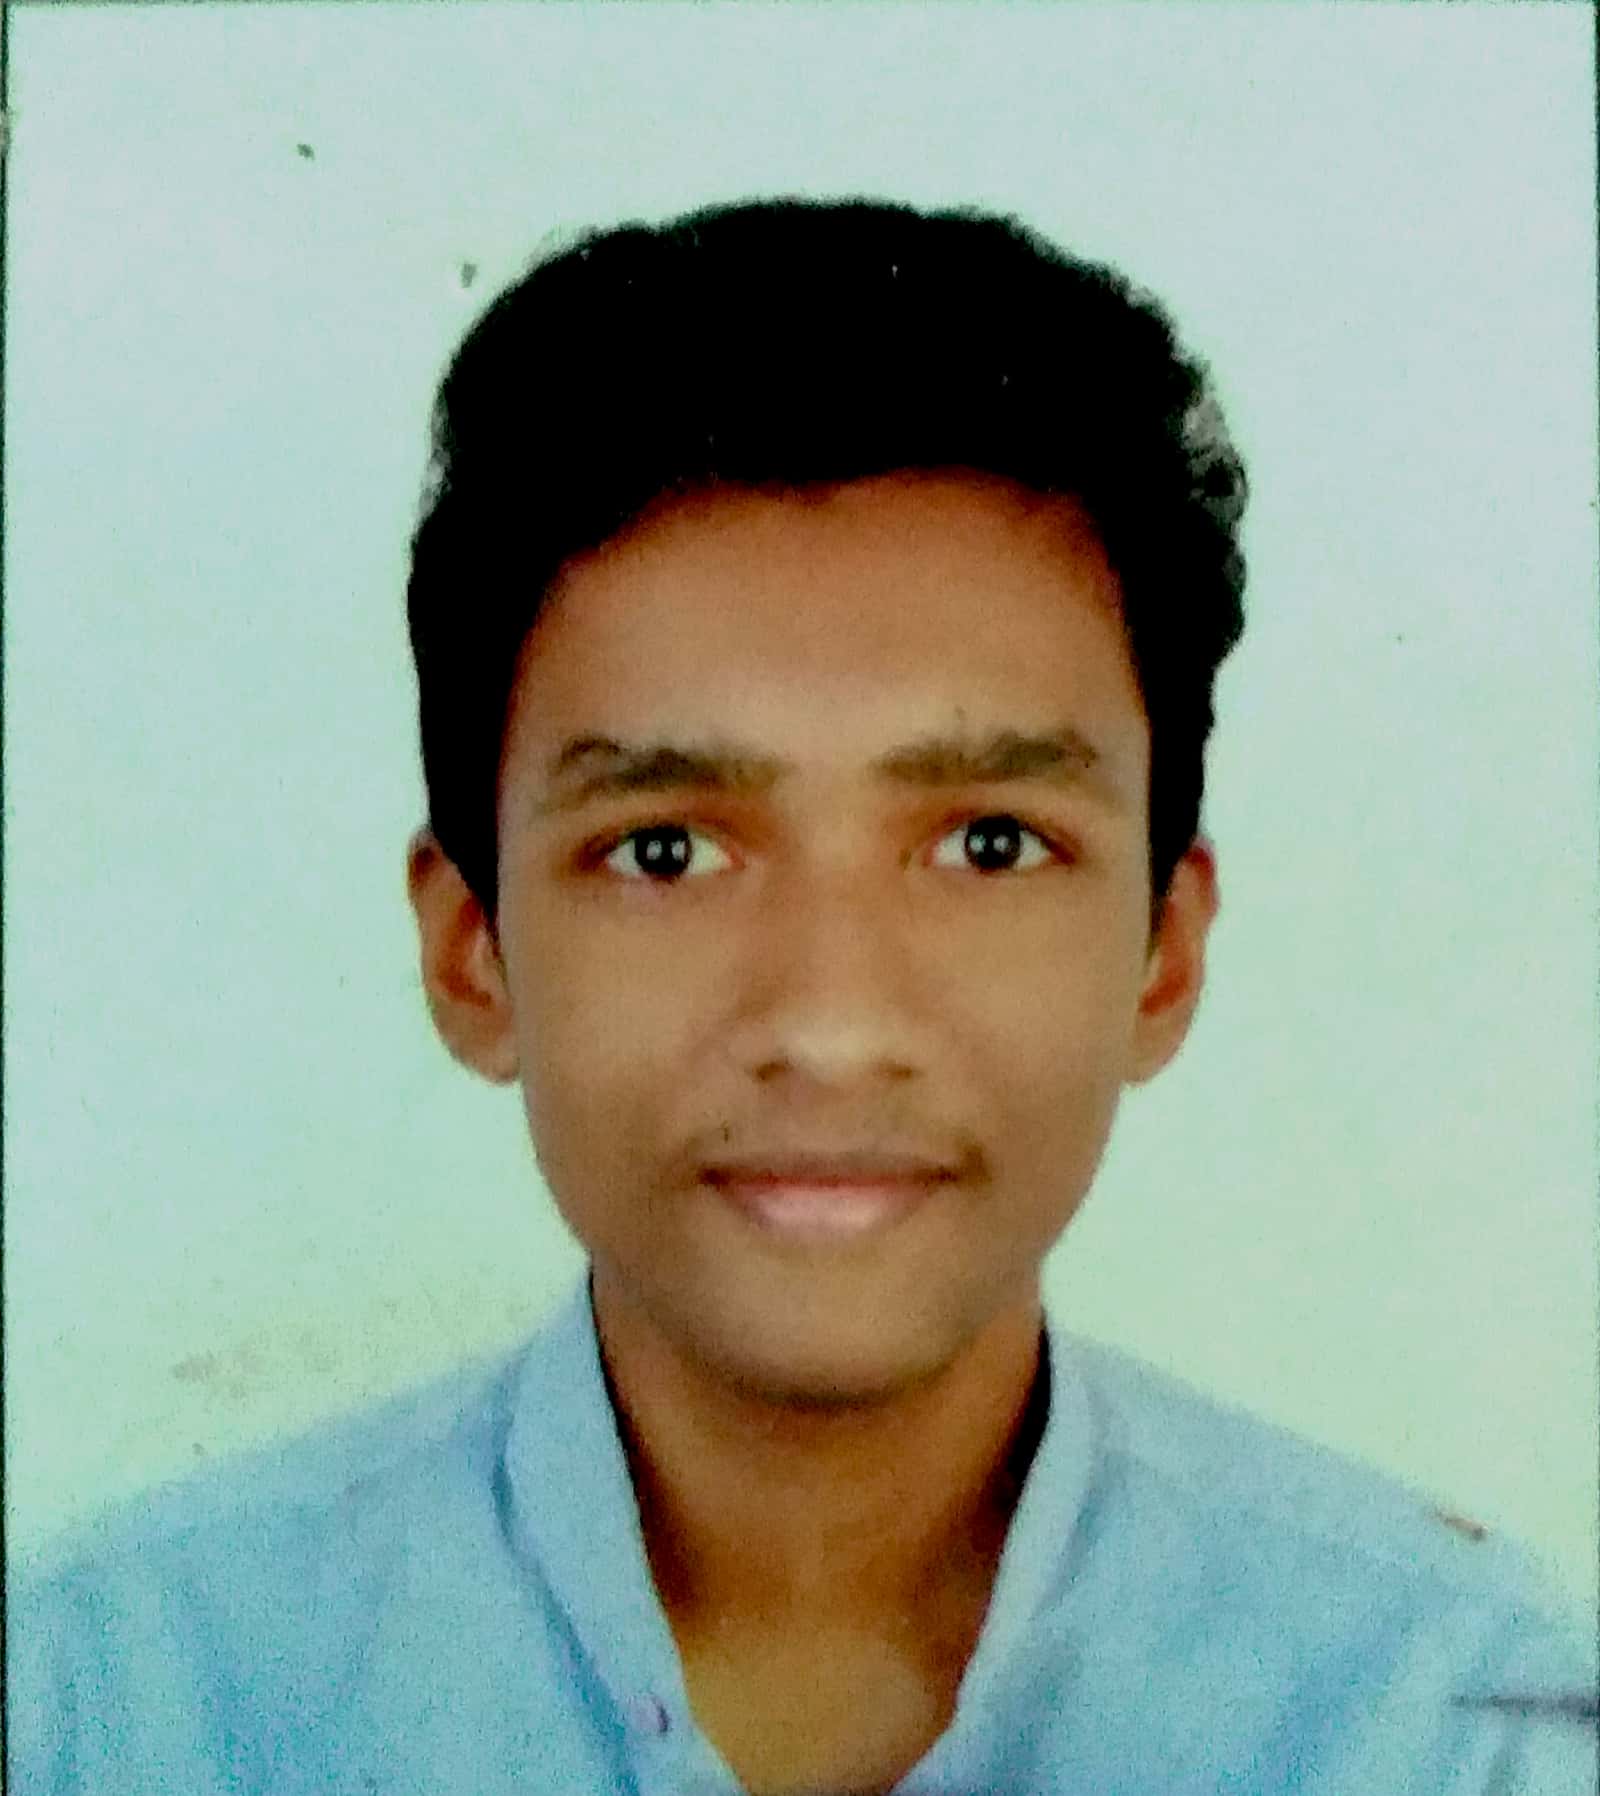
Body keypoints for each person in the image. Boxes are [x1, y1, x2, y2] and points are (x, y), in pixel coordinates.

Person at [9, 196, 1594, 1796]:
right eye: (667, 850)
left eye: (988, 843)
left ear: (1163, 953)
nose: (831, 1027)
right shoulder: (102, 1708)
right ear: (470, 947)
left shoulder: (1463, 1730)